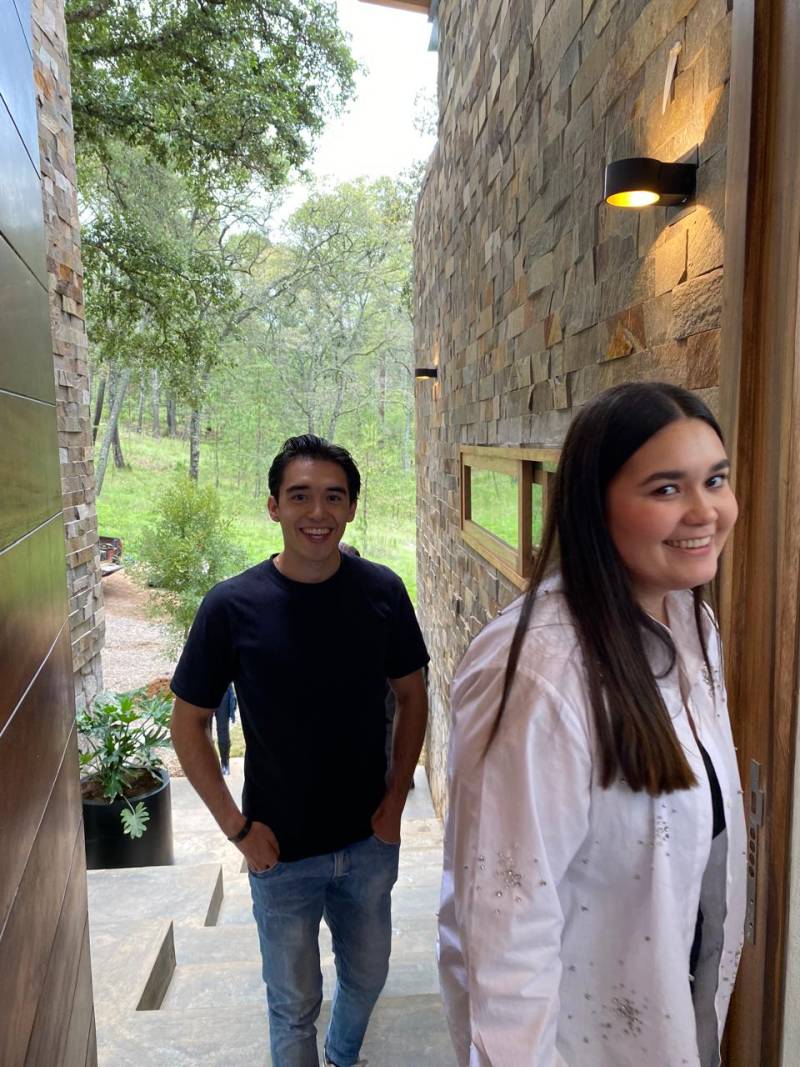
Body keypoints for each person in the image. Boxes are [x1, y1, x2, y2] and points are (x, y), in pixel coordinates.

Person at [438, 382, 746, 1067]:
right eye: (667, 488)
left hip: (675, 1021)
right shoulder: (539, 672)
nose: (706, 511)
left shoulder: (692, 622)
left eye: (715, 480)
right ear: (593, 505)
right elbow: (504, 933)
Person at [169, 434, 429, 1067]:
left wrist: (395, 802)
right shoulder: (231, 606)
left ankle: (341, 1058)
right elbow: (189, 724)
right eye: (300, 496)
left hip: (368, 844)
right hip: (278, 853)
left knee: (367, 977)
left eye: (333, 497)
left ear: (352, 508)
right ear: (273, 506)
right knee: (292, 1005)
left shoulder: (383, 592)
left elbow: (413, 696)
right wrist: (238, 830)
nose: (318, 512)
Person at [208, 683, 236, 775]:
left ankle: (220, 763)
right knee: (221, 730)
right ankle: (224, 764)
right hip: (221, 688)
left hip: (207, 689)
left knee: (207, 731)